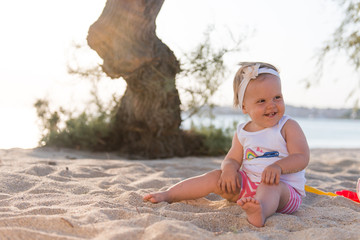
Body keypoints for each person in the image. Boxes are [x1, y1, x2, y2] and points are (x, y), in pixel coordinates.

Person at [143, 62, 310, 227]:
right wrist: (229, 170)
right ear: (244, 107)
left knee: (270, 185)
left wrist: (278, 167)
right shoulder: (243, 131)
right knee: (215, 176)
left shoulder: (287, 126)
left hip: (284, 192)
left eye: (277, 97)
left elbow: (301, 157)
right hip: (247, 187)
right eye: (261, 101)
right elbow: (232, 159)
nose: (272, 105)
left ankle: (260, 211)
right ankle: (169, 194)